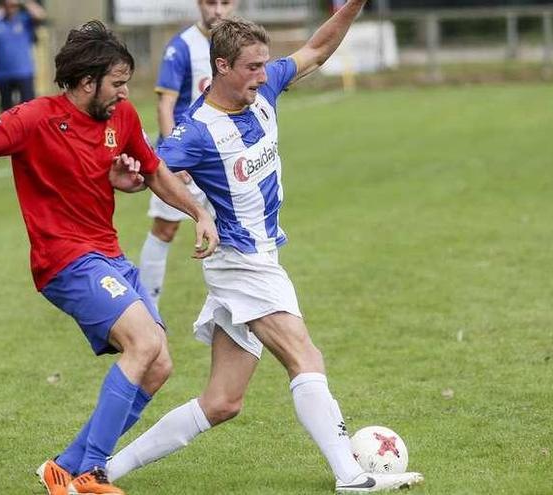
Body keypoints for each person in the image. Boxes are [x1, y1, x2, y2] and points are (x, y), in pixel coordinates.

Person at [0, 20, 219, 495]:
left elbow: (154, 172)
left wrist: (197, 212)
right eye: (117, 83)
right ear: (87, 82)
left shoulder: (121, 119)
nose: (125, 93)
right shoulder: (32, 119)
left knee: (159, 364)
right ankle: (91, 471)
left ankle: (64, 468)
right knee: (144, 344)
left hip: (108, 255)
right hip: (64, 261)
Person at [105, 6, 425, 493]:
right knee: (305, 356)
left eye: (264, 64)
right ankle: (352, 476)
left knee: (221, 402)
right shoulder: (196, 132)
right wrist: (128, 178)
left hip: (261, 258)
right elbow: (150, 173)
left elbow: (317, 48)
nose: (263, 73)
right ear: (221, 67)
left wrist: (354, 5)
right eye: (252, 67)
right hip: (241, 262)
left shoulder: (266, 87)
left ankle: (104, 469)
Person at [138, 0, 236, 309]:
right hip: (188, 158)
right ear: (199, 4)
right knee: (166, 228)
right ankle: (146, 305)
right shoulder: (181, 47)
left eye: (225, 3)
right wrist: (171, 159)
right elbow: (165, 106)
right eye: (211, 2)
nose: (217, 10)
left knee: (234, 230)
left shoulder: (238, 47)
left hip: (224, 157)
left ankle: (234, 303)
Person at [0, 0, 46, 111]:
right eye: (8, 5)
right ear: (2, 6)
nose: (12, 8)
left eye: (14, 6)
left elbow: (40, 15)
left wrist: (25, 2)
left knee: (29, 110)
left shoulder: (24, 20)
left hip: (24, 72)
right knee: (6, 111)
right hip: (2, 74)